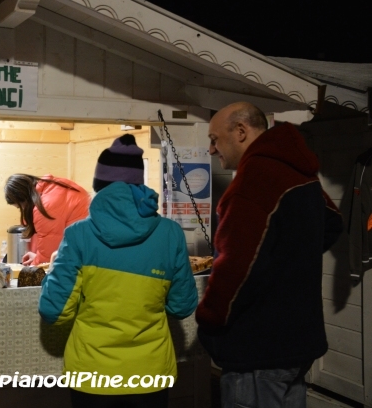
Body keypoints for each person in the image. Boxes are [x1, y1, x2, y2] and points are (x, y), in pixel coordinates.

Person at [196, 102, 343, 408]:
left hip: (258, 348)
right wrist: (286, 264)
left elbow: (236, 267)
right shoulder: (296, 170)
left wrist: (208, 322)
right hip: (298, 343)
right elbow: (332, 222)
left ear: (240, 132)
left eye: (214, 139)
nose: (211, 149)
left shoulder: (254, 182)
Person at [39, 134, 198, 407]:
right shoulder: (170, 233)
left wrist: (54, 271)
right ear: (138, 183)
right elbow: (182, 306)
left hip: (93, 375)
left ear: (100, 186)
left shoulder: (78, 235)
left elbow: (55, 310)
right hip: (149, 373)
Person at [4, 173, 90, 265]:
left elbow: (48, 257)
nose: (23, 211)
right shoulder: (56, 185)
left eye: (20, 207)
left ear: (24, 199)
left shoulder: (44, 207)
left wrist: (30, 269)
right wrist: (38, 257)